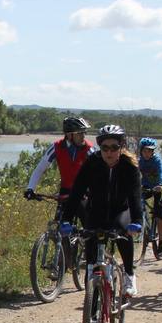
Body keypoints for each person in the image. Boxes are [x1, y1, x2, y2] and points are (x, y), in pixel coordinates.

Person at [64, 125, 143, 296]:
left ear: (121, 147)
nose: (109, 152)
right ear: (100, 147)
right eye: (105, 147)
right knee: (92, 258)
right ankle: (92, 308)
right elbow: (76, 192)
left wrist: (137, 221)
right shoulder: (92, 163)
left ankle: (129, 274)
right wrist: (66, 220)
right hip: (96, 212)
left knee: (124, 233)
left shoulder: (129, 167)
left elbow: (135, 197)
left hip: (120, 211)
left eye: (114, 147)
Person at [24, 116, 95, 226]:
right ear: (69, 135)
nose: (83, 136)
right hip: (65, 192)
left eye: (84, 133)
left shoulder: (89, 148)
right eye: (80, 133)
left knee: (89, 228)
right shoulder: (56, 147)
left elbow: (100, 171)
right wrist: (30, 189)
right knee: (60, 226)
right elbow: (39, 169)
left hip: (84, 192)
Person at [137, 137, 162, 251]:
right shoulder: (140, 161)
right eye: (145, 150)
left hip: (159, 187)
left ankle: (161, 243)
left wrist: (160, 184)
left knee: (159, 215)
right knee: (137, 202)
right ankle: (144, 224)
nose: (147, 153)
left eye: (150, 150)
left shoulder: (157, 160)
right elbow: (133, 174)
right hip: (146, 186)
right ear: (141, 150)